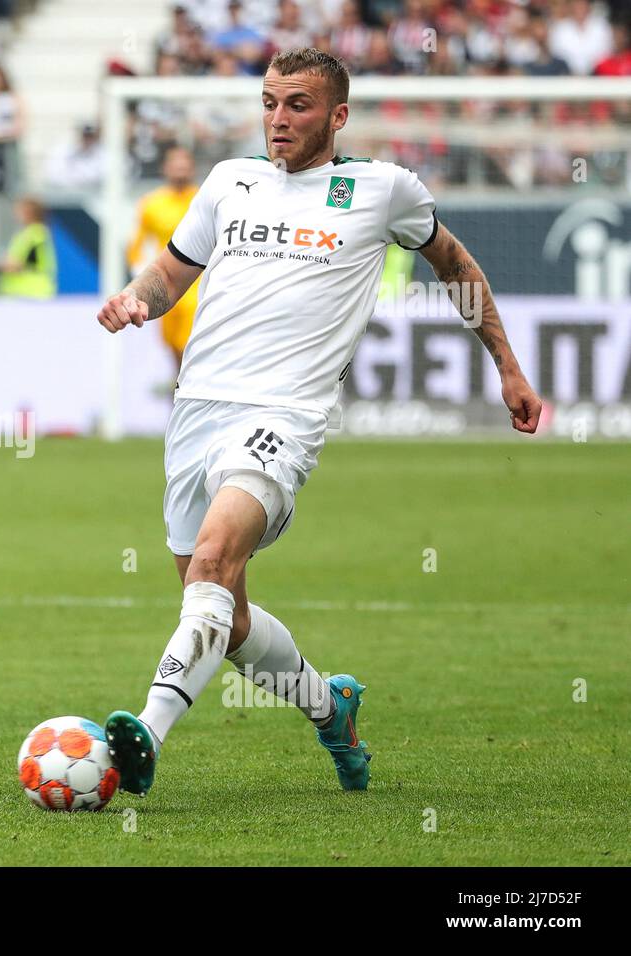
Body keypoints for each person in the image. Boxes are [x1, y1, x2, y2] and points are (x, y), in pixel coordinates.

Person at [95, 48, 542, 797]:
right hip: (198, 410)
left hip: (283, 417)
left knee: (211, 563)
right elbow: (170, 273)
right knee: (223, 618)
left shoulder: (381, 189)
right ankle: (330, 708)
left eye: (297, 105)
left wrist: (507, 364)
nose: (278, 118)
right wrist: (137, 298)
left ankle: (147, 731)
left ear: (338, 115)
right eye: (270, 102)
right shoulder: (227, 182)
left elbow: (454, 264)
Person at [127, 145, 200, 372]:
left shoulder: (203, 198)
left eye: (184, 165)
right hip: (167, 281)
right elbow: (136, 244)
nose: (180, 170)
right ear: (165, 169)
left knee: (192, 345)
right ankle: (179, 391)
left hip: (199, 284)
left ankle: (190, 390)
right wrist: (141, 277)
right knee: (172, 347)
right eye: (175, 165)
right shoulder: (152, 203)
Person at [0, 197, 55, 298]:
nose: (16, 213)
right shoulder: (29, 232)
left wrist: (3, 264)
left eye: (20, 210)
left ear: (29, 212)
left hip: (30, 294)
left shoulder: (35, 233)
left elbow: (22, 263)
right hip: (21, 294)